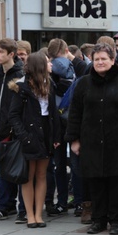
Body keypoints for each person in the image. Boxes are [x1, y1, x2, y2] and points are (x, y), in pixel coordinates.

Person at [66, 42, 118, 235]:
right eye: (96, 59)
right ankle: (98, 220)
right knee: (95, 184)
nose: (100, 62)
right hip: (91, 142)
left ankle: (116, 221)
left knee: (117, 184)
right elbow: (75, 113)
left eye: (104, 59)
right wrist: (74, 139)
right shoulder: (83, 83)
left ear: (113, 60)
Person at [9, 51, 62, 228]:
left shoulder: (50, 84)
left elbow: (53, 112)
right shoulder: (22, 87)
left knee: (42, 174)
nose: (51, 64)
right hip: (29, 133)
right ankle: (29, 215)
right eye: (48, 62)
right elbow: (14, 115)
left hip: (46, 131)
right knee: (28, 176)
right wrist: (23, 136)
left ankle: (39, 214)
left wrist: (56, 136)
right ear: (39, 65)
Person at [0, 38, 25, 222]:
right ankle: (4, 206)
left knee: (18, 170)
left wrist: (16, 128)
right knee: (0, 171)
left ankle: (23, 207)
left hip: (14, 133)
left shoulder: (21, 73)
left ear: (11, 54)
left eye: (1, 52)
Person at [46, 38, 75, 217]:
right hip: (71, 119)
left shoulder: (46, 68)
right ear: (65, 49)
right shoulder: (72, 68)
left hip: (54, 121)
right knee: (75, 164)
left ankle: (60, 201)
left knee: (57, 165)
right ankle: (78, 201)